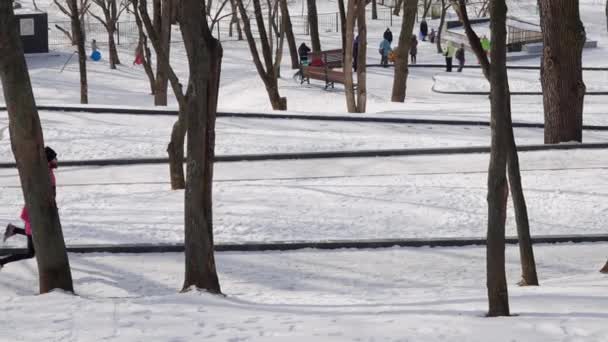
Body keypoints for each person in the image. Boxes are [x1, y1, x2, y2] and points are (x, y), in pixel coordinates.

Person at [1, 147, 58, 270]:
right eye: (54, 158)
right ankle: (2, 261)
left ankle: (14, 230)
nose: (56, 161)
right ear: (49, 160)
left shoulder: (46, 171)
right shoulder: (45, 173)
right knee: (30, 252)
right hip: (36, 213)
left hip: (37, 213)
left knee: (35, 235)